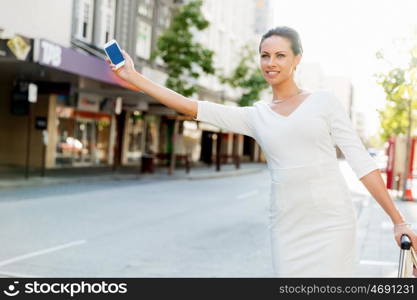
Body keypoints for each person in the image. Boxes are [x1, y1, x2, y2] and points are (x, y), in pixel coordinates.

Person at [105, 26, 417, 277]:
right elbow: (192, 107)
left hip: (332, 223)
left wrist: (398, 220)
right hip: (287, 226)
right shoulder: (256, 115)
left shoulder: (324, 103)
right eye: (265, 55)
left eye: (280, 55)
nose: (271, 63)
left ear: (297, 59)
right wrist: (133, 77)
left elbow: (361, 162)